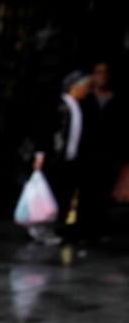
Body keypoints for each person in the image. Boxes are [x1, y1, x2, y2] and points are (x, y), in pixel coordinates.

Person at [31, 70, 93, 244]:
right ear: (74, 87)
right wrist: (40, 153)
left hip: (70, 159)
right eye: (85, 86)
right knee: (48, 194)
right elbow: (45, 129)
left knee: (63, 194)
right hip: (54, 158)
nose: (87, 90)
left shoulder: (81, 107)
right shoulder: (58, 105)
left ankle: (53, 227)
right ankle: (42, 227)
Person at [79, 61, 125, 239]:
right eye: (98, 73)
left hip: (108, 153)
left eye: (105, 73)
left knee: (103, 191)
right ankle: (83, 227)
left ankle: (98, 228)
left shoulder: (117, 100)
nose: (102, 77)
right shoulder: (86, 99)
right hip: (86, 152)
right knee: (86, 191)